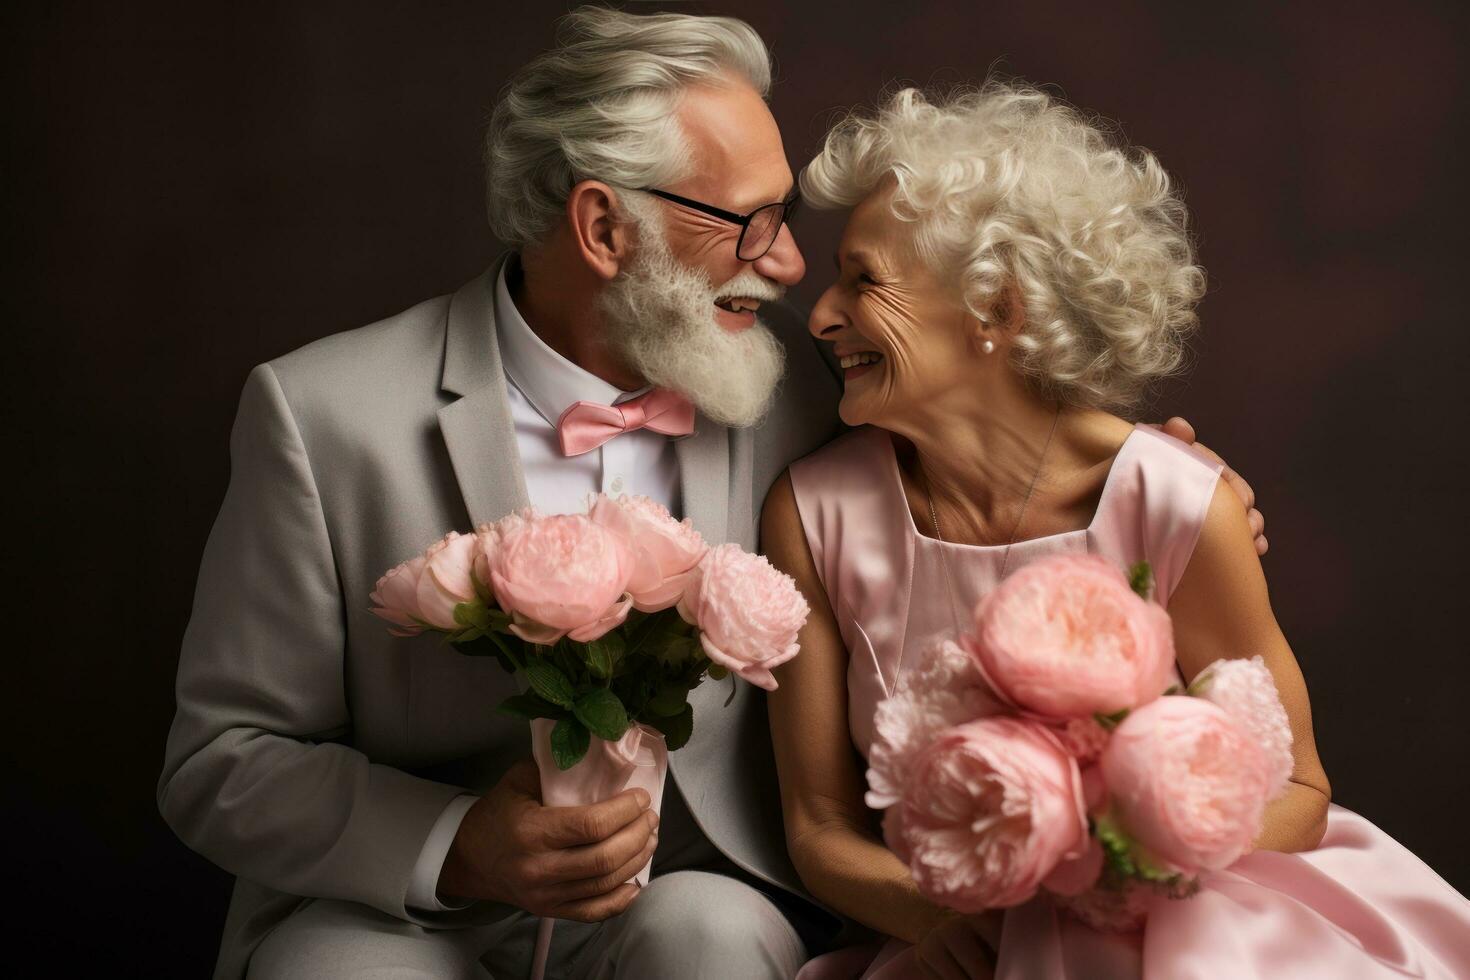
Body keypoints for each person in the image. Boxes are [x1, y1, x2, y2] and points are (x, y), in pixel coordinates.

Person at [159, 9, 1253, 977]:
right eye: (750, 221)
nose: (786, 269)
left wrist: (1148, 483)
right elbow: (220, 759)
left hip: (697, 894)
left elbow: (985, 459)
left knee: (709, 941)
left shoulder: (805, 399)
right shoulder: (322, 413)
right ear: (603, 228)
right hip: (399, 913)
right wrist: (454, 843)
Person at [761, 82, 1470, 979]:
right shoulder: (813, 514)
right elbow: (820, 825)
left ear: (998, 313)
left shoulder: (1178, 503)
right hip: (954, 949)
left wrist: (1123, 874)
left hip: (1197, 929)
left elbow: (1299, 791)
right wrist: (951, 922)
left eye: (862, 281)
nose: (821, 315)